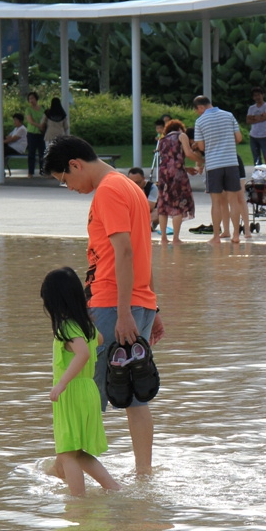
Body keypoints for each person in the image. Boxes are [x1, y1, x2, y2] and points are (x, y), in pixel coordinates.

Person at [42, 135, 164, 476]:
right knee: (135, 389)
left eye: (65, 179)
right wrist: (152, 307)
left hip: (112, 304)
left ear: (76, 165)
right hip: (137, 302)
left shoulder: (109, 191)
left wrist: (124, 312)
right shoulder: (131, 188)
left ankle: (65, 466)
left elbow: (125, 251)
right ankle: (144, 474)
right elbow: (143, 252)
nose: (68, 188)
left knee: (86, 388)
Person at [39, 266, 122, 496]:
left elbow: (83, 353)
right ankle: (113, 488)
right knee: (76, 452)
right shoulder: (86, 325)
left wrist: (61, 383)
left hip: (72, 392)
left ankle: (78, 502)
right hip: (88, 390)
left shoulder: (66, 327)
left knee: (66, 453)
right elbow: (100, 339)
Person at [192, 95, 243, 245]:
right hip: (231, 162)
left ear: (200, 107)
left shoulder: (200, 121)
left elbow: (201, 147)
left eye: (197, 110)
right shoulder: (229, 115)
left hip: (214, 164)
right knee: (233, 200)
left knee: (216, 202)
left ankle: (216, 236)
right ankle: (236, 235)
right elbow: (239, 138)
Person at [156, 120, 202, 244]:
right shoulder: (182, 136)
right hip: (177, 175)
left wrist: (186, 169)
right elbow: (188, 154)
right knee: (177, 204)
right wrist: (201, 161)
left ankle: (163, 238)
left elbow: (169, 160)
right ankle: (176, 238)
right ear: (180, 128)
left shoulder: (162, 140)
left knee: (164, 204)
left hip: (163, 174)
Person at [246, 86, 266, 166]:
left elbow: (265, 117)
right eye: (255, 95)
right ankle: (259, 174)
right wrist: (259, 117)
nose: (257, 97)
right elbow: (248, 120)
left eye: (258, 95)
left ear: (262, 95)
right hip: (253, 135)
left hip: (264, 135)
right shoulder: (251, 108)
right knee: (256, 158)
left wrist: (253, 118)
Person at [24, 91, 45, 177]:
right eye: (29, 99)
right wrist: (39, 125)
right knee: (31, 153)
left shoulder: (42, 109)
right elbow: (30, 121)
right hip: (32, 133)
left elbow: (45, 118)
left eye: (32, 98)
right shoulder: (28, 109)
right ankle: (30, 172)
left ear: (36, 98)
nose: (31, 100)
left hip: (41, 133)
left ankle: (43, 170)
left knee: (42, 153)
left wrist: (43, 127)